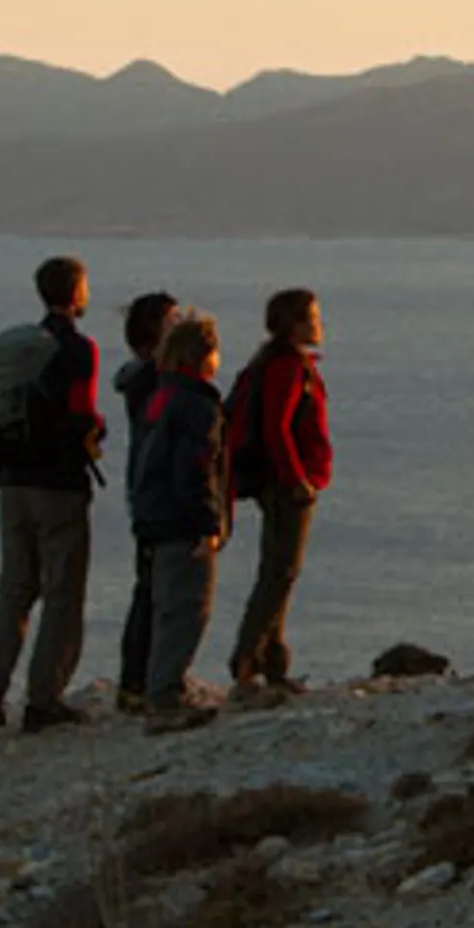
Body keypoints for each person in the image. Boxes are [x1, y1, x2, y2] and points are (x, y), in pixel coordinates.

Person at [0, 255, 102, 730]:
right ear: (76, 291)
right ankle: (45, 697)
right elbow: (82, 411)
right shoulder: (77, 349)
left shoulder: (22, 349)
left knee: (15, 589)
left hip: (11, 481)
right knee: (63, 592)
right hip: (57, 485)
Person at [221, 286, 331, 697]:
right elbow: (276, 428)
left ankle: (272, 661)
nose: (319, 325)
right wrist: (295, 478)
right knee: (279, 572)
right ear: (294, 324)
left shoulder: (272, 363)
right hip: (286, 485)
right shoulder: (286, 367)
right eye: (312, 318)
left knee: (279, 570)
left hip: (281, 480)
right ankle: (248, 661)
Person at [124, 307, 230, 731]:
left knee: (166, 604)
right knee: (187, 608)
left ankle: (161, 688)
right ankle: (165, 696)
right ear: (202, 356)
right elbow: (196, 467)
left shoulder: (159, 396)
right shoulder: (197, 405)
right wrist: (208, 522)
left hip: (153, 514)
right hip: (181, 521)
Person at [109, 288, 178, 700]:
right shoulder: (157, 382)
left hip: (145, 493)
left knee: (150, 587)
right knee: (156, 591)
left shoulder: (141, 379)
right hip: (158, 495)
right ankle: (141, 681)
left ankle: (139, 678)